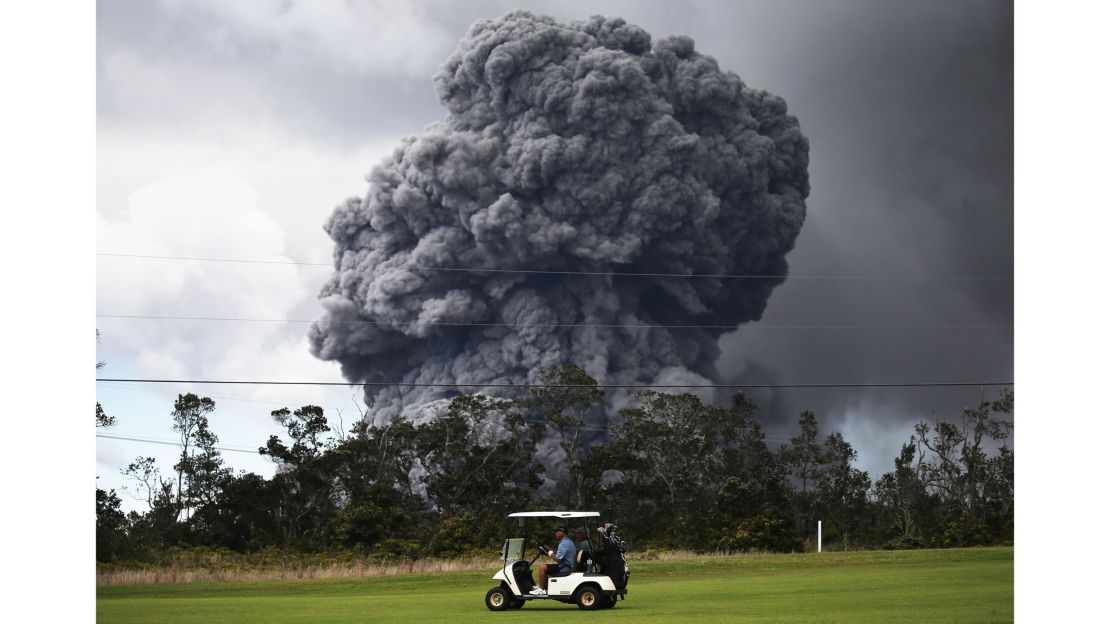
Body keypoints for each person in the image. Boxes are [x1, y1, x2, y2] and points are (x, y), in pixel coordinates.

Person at [532, 526, 575, 595]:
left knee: (542, 567)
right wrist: (549, 549)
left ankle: (541, 589)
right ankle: (542, 587)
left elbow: (557, 559)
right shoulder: (567, 542)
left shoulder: (564, 544)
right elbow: (558, 553)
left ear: (563, 533)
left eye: (557, 532)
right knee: (545, 567)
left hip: (564, 568)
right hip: (565, 566)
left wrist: (550, 552)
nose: (556, 533)